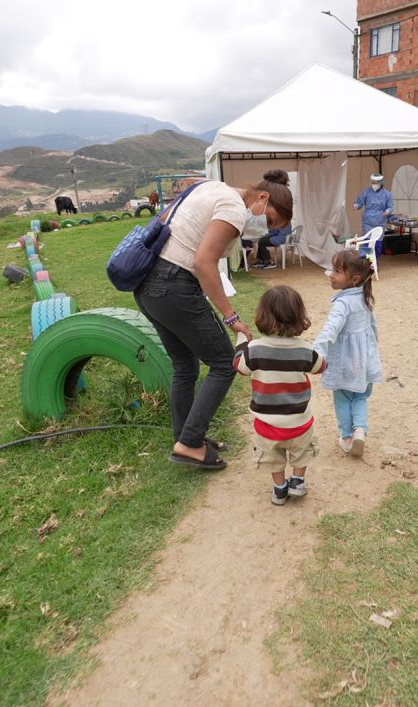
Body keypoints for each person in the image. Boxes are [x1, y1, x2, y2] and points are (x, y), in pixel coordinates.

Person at [135, 169, 294, 470]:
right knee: (224, 362)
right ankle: (190, 443)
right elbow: (203, 262)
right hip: (173, 284)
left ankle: (185, 437)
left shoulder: (210, 188)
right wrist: (231, 317)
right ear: (263, 197)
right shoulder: (235, 208)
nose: (267, 226)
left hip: (147, 285)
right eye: (271, 220)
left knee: (185, 366)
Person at [233, 286, 326, 505]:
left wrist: (241, 341)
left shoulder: (253, 350)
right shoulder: (304, 349)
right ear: (298, 317)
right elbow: (320, 367)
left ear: (262, 315)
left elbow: (239, 367)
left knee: (273, 459)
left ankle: (279, 489)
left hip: (267, 424)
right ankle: (298, 481)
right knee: (301, 453)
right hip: (299, 421)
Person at [313, 249, 383, 458]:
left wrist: (318, 350)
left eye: (336, 271)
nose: (330, 275)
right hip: (364, 359)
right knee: (360, 396)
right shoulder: (365, 297)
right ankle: (360, 430)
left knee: (343, 397)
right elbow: (373, 328)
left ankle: (346, 437)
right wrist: (372, 351)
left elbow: (330, 330)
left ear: (354, 279)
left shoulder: (343, 303)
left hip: (344, 361)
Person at [353, 172, 393, 256]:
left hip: (380, 220)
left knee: (377, 242)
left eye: (376, 182)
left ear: (381, 182)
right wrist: (356, 205)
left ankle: (375, 262)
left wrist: (387, 211)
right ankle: (367, 261)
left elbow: (390, 206)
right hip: (368, 221)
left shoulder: (387, 194)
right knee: (367, 241)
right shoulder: (366, 192)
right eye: (373, 182)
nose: (374, 184)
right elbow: (360, 201)